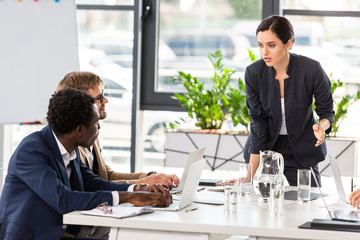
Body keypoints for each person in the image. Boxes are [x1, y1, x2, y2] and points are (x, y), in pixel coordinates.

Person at [0, 88, 172, 240]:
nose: (99, 128)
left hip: (63, 231)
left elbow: (94, 183)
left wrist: (138, 189)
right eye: (96, 123)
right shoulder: (31, 151)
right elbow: (63, 199)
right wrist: (128, 198)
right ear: (80, 130)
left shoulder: (70, 149)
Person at [244, 15, 334, 186]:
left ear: (288, 44)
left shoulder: (311, 69)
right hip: (267, 151)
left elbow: (327, 112)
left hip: (302, 151)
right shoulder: (253, 73)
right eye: (260, 45)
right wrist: (249, 176)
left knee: (309, 203)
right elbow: (258, 123)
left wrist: (321, 127)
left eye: (271, 45)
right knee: (264, 207)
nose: (264, 52)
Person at [56, 71, 179, 188]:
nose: (106, 100)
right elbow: (91, 186)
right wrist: (142, 183)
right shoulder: (71, 140)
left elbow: (106, 176)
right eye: (99, 98)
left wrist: (148, 177)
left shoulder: (92, 132)